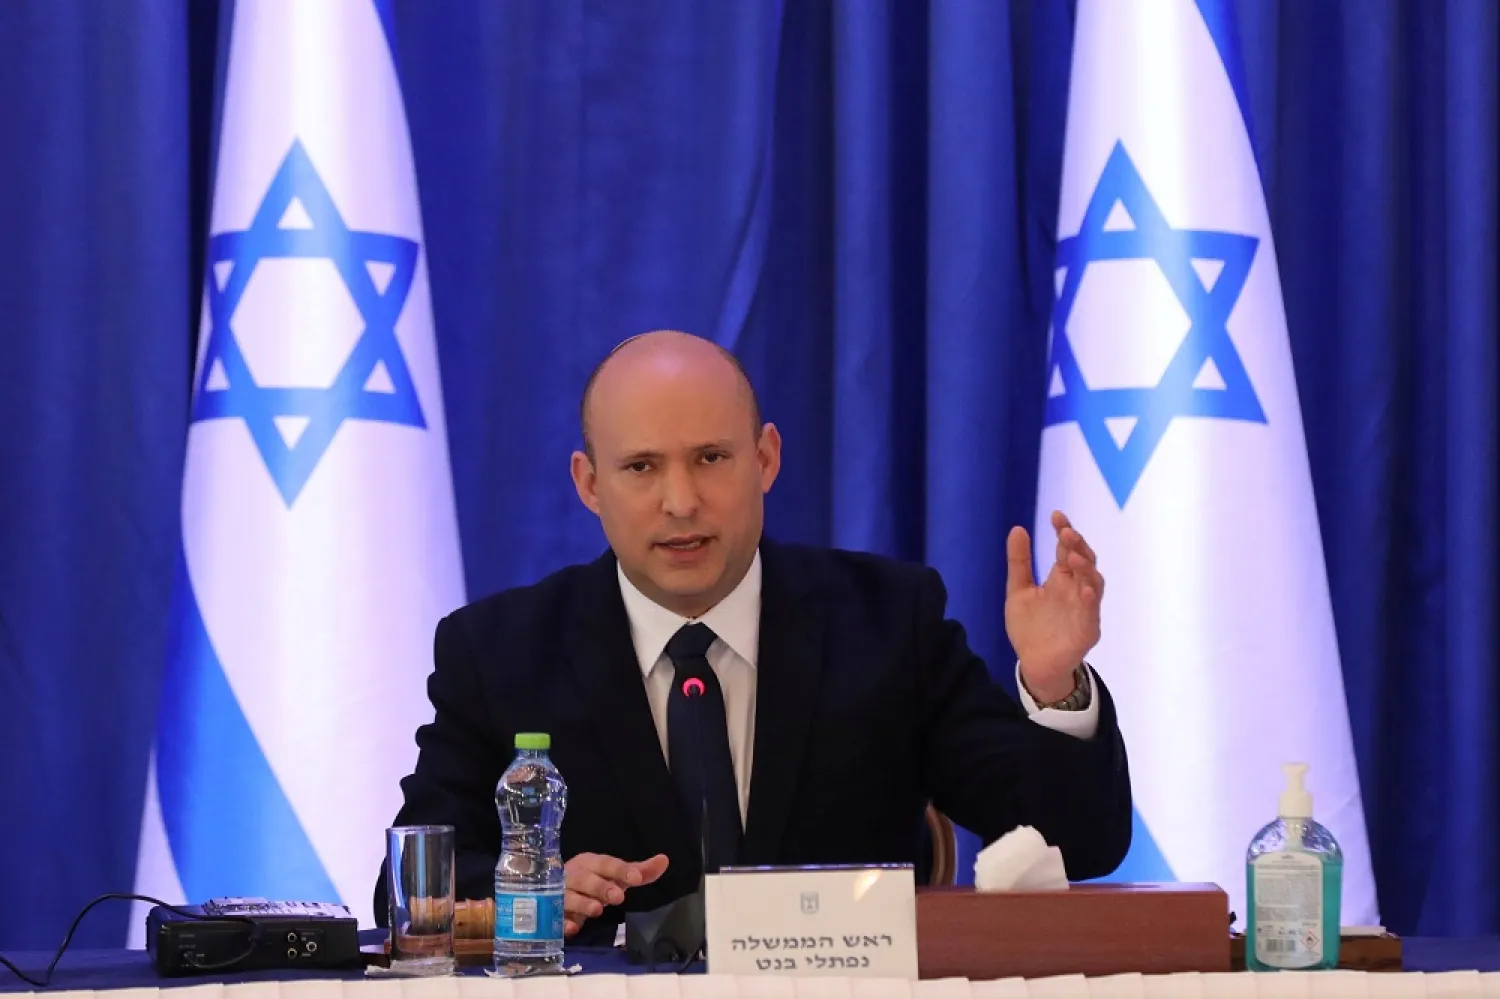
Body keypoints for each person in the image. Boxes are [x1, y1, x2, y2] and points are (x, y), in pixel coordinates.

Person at [376, 330, 1132, 945]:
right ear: (589, 483)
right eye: (641, 467)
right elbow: (409, 891)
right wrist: (530, 888)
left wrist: (1056, 683)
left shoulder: (886, 622)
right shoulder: (500, 651)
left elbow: (1080, 845)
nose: (681, 501)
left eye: (711, 457)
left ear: (765, 458)